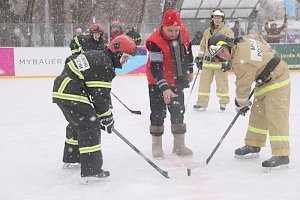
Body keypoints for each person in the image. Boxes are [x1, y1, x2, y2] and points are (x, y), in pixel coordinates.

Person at [52, 35, 137, 183]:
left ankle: (72, 158)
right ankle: (91, 171)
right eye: (125, 57)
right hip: (71, 92)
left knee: (77, 124)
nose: (126, 61)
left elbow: (101, 94)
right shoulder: (104, 64)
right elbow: (99, 98)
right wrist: (106, 117)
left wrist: (106, 116)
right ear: (117, 53)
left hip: (63, 90)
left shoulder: (99, 56)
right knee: (90, 126)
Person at [207, 33, 291, 169]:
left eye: (223, 50)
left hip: (277, 78)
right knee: (258, 115)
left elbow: (243, 87)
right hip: (263, 79)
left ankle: (282, 154)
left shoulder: (241, 60)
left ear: (228, 45)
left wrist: (240, 104)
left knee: (276, 116)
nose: (222, 55)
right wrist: (266, 55)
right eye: (219, 54)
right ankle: (254, 144)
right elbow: (258, 37)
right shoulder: (243, 40)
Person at [145, 9, 194, 159]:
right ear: (163, 27)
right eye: (170, 30)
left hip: (177, 78)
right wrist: (164, 87)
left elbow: (188, 52)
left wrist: (190, 69)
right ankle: (157, 147)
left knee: (178, 112)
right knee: (158, 113)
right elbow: (156, 67)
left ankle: (179, 145)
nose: (173, 33)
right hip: (156, 81)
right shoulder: (155, 41)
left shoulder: (184, 33)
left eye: (176, 30)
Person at [193, 8, 234, 111]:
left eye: (219, 17)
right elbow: (203, 45)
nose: (217, 19)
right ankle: (201, 103)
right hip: (207, 62)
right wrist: (199, 58)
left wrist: (228, 61)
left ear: (222, 19)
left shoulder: (227, 31)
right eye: (215, 17)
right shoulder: (207, 31)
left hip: (220, 63)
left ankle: (223, 102)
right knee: (204, 85)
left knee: (222, 84)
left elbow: (231, 47)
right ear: (212, 18)